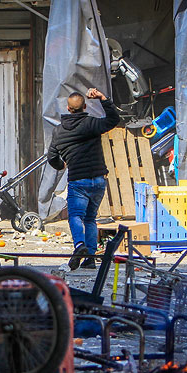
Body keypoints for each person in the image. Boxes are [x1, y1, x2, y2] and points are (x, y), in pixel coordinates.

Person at [47, 88, 120, 270]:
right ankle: (89, 259)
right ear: (85, 107)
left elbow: (52, 157)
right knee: (90, 219)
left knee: (75, 216)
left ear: (68, 108)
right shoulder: (91, 124)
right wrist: (103, 98)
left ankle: (79, 246)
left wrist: (60, 165)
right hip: (98, 179)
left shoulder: (59, 131)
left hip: (78, 181)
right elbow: (113, 119)